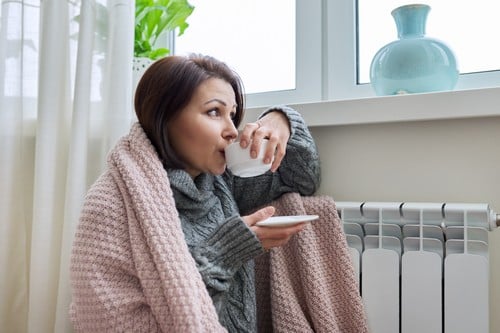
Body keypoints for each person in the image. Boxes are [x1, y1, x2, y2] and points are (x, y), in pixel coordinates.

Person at [69, 54, 321, 332]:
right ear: (165, 117)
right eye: (214, 112)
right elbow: (117, 325)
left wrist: (280, 120)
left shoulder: (222, 183)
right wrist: (227, 250)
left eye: (233, 115)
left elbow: (303, 178)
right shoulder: (110, 205)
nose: (231, 131)